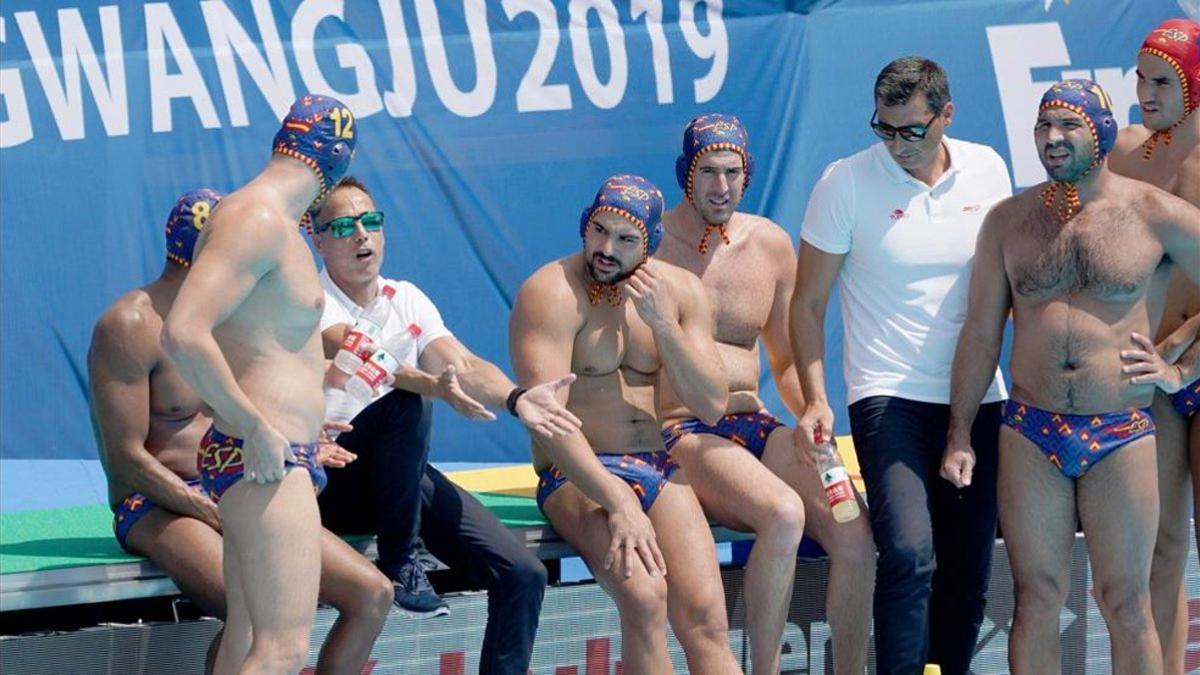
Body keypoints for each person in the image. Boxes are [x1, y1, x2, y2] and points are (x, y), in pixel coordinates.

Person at [946, 78, 1200, 673]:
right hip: (1031, 430)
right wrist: (959, 432)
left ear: (1103, 134)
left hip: (1121, 429)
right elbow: (982, 334)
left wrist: (1180, 368)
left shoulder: (1151, 213)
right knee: (1036, 600)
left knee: (1126, 602)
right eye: (1043, 127)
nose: (1052, 140)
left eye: (1068, 127)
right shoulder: (1008, 222)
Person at [90, 188, 392, 674]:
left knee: (371, 593)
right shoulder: (130, 323)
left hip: (232, 484)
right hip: (158, 505)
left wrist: (306, 433)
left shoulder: (233, 316)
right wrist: (208, 509)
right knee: (250, 608)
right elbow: (125, 458)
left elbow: (258, 403)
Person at [790, 57, 1013, 674]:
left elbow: (1010, 285)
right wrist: (814, 397)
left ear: (947, 115)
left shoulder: (988, 168)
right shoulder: (845, 183)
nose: (896, 145)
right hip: (888, 396)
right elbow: (806, 305)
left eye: (912, 131)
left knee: (968, 568)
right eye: (884, 129)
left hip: (978, 396)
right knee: (912, 553)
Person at [312, 176, 578, 673]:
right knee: (404, 402)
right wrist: (430, 385)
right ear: (318, 239)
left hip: (394, 476)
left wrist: (516, 399)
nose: (361, 236)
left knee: (522, 573)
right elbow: (352, 346)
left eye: (371, 221)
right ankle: (399, 558)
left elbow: (461, 362)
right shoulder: (309, 301)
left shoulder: (406, 297)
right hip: (326, 477)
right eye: (344, 225)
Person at [655, 114, 875, 674]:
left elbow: (785, 360)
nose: (721, 187)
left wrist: (812, 413)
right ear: (686, 173)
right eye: (708, 172)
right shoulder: (652, 251)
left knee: (854, 531)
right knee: (781, 513)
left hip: (755, 423)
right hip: (682, 431)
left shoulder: (769, 245)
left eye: (733, 172)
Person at [161, 94, 368, 675]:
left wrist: (299, 415)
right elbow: (183, 332)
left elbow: (261, 346)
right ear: (333, 158)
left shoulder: (270, 221)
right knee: (283, 648)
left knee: (247, 639)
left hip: (270, 450)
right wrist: (256, 425)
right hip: (262, 456)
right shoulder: (257, 218)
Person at [510, 175, 742, 674]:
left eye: (625, 239)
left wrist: (662, 325)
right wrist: (616, 500)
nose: (606, 249)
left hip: (656, 465)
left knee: (705, 619)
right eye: (598, 231)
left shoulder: (680, 292)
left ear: (652, 244)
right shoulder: (550, 292)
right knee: (644, 596)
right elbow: (550, 423)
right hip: (577, 473)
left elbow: (711, 405)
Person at [1107, 18, 1200, 672]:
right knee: (1161, 550)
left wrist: (1181, 362)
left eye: (1163, 81)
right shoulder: (1128, 153)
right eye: (1139, 78)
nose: (1145, 92)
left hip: (1186, 361)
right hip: (1157, 373)